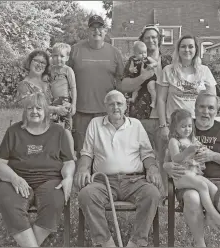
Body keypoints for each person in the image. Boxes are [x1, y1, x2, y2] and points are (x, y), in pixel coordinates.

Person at [75, 90, 162, 247]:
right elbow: (87, 153)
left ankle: (136, 243)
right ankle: (106, 243)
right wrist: (82, 168)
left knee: (152, 194)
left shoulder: (135, 125)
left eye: (119, 103)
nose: (116, 107)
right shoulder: (95, 124)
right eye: (111, 104)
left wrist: (152, 169)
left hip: (134, 181)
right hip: (104, 182)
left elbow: (147, 154)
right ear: (105, 107)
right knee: (86, 195)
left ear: (126, 106)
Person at [164, 90, 220, 247]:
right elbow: (170, 153)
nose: (206, 111)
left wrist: (213, 155)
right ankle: (200, 244)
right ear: (195, 108)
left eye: (211, 108)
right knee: (192, 198)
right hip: (190, 180)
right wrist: (167, 165)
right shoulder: (185, 125)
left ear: (216, 111)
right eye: (202, 107)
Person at [0, 92, 75, 247]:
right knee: (7, 201)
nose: (34, 111)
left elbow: (69, 161)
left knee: (55, 201)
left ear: (46, 111)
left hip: (50, 179)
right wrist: (14, 178)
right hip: (18, 178)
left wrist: (68, 177)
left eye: (39, 108)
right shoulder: (14, 131)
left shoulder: (58, 132)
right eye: (30, 108)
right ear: (25, 111)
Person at [68, 15, 124, 157]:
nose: (97, 31)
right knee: (81, 152)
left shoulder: (115, 53)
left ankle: (101, 179)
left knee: (105, 152)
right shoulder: (75, 50)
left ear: (106, 31)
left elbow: (122, 81)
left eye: (100, 28)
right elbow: (63, 75)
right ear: (88, 30)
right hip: (81, 112)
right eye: (93, 28)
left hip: (106, 112)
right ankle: (82, 178)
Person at [121, 25, 168, 195]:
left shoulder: (168, 61)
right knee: (142, 158)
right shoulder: (134, 61)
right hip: (141, 116)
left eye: (154, 37)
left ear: (159, 39)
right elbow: (123, 85)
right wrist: (143, 77)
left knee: (163, 157)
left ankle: (163, 196)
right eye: (147, 37)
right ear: (142, 40)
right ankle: (144, 194)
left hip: (165, 118)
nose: (151, 40)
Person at [167, 109, 220, 228]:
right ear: (174, 127)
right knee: (202, 186)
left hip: (193, 174)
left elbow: (200, 147)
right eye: (183, 126)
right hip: (181, 175)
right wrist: (188, 151)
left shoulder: (191, 139)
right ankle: (215, 216)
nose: (187, 129)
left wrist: (201, 149)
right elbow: (176, 158)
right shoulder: (174, 141)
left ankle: (208, 217)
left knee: (213, 188)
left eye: (189, 126)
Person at [16, 49, 68, 117]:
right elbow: (31, 107)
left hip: (54, 124)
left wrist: (65, 103)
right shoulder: (23, 85)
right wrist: (56, 109)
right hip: (36, 125)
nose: (39, 65)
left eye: (43, 63)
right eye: (36, 61)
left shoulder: (49, 82)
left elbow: (58, 98)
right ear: (29, 62)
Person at [50, 42, 77, 159]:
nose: (58, 58)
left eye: (61, 56)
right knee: (52, 128)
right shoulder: (50, 70)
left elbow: (73, 88)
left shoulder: (68, 70)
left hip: (65, 101)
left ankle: (71, 154)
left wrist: (74, 104)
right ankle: (55, 153)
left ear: (67, 58)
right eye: (55, 55)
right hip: (53, 102)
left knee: (67, 129)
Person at [127, 41, 157, 108]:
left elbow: (156, 63)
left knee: (151, 87)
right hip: (139, 78)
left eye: (145, 52)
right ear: (135, 53)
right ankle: (133, 98)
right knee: (135, 88)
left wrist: (152, 65)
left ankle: (154, 101)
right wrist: (132, 69)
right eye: (140, 53)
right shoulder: (133, 60)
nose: (143, 55)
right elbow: (130, 68)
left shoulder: (148, 58)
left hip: (150, 78)